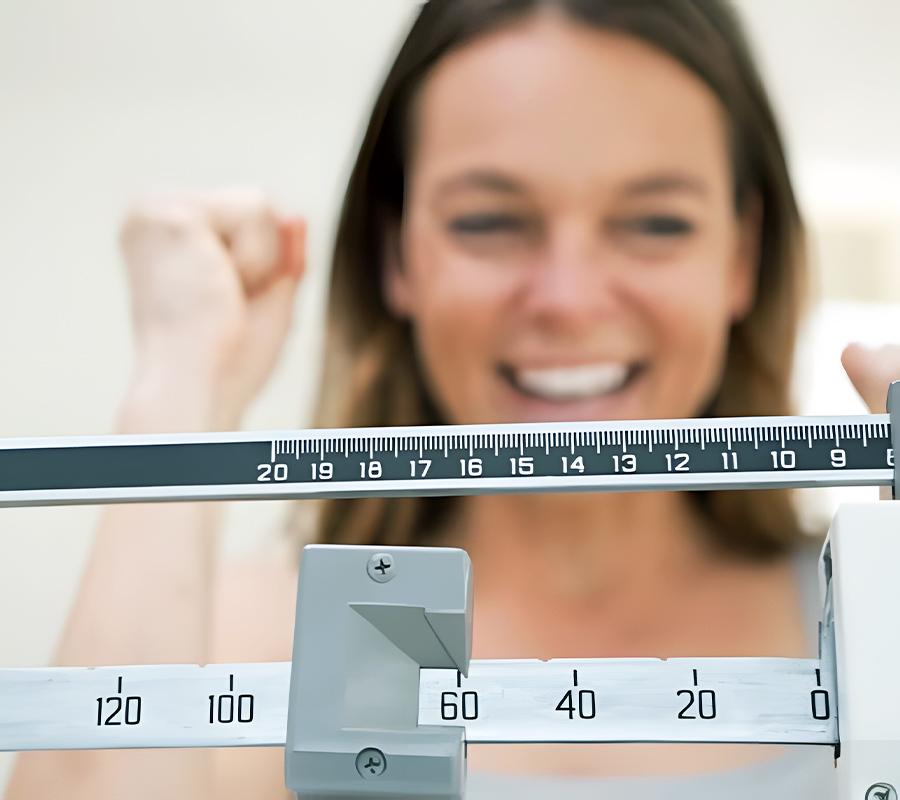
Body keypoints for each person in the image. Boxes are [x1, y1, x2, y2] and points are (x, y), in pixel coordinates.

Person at [6, 1, 899, 798]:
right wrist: (183, 382)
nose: (567, 298)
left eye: (656, 222)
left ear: (743, 256)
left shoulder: (877, 618)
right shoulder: (251, 638)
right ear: (395, 253)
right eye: (488, 221)